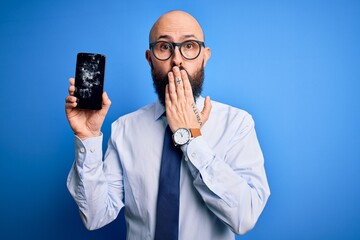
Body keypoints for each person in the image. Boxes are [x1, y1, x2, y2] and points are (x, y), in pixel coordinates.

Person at [66, 10, 270, 240]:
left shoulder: (237, 124)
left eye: (190, 46)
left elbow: (245, 217)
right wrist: (88, 137)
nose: (177, 59)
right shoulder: (125, 129)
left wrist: (191, 138)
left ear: (205, 56)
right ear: (149, 58)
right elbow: (95, 216)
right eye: (164, 47)